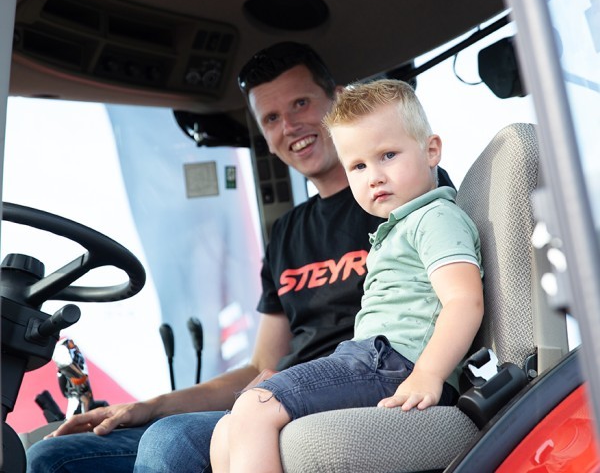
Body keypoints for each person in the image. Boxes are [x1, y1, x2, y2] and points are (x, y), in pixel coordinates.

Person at [26, 44, 454, 473]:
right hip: (274, 398)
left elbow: (451, 300)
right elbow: (260, 365)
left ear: (339, 102)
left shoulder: (401, 200)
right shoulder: (286, 233)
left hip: (354, 384)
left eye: (301, 103)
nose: (290, 126)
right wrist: (150, 405)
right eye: (271, 118)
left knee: (170, 440)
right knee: (54, 458)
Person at [209, 79, 484, 473]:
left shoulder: (435, 218)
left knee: (255, 405)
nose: (374, 176)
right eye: (358, 166)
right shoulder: (397, 228)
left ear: (431, 150)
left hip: (395, 362)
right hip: (369, 359)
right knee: (227, 429)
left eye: (388, 155)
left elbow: (463, 301)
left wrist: (428, 373)